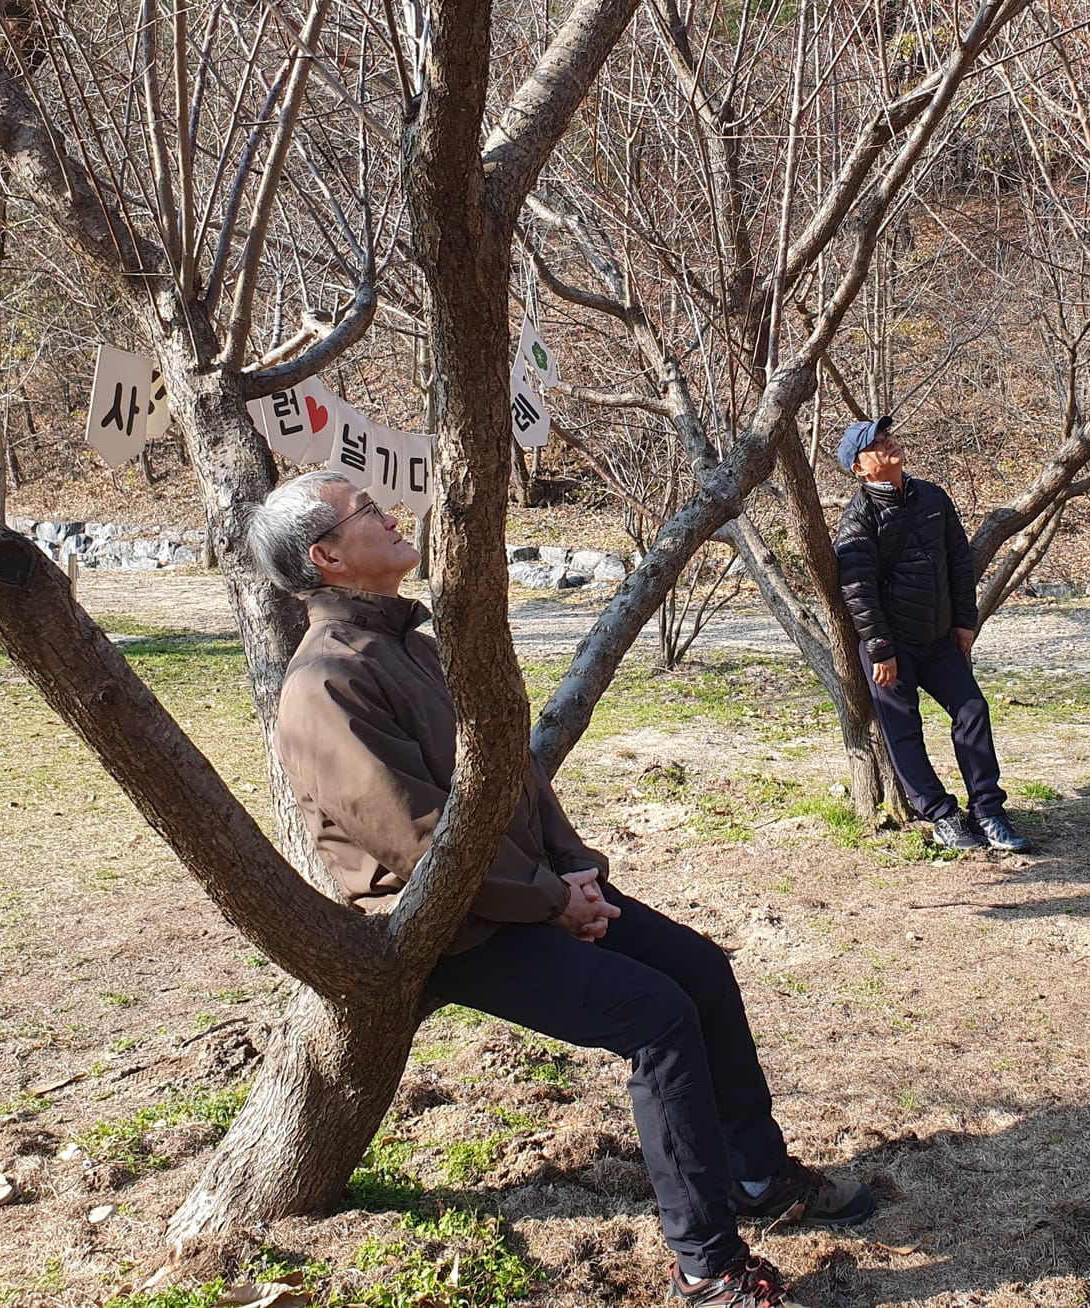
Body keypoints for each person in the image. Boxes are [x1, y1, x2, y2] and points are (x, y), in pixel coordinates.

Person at [247, 470, 868, 1308]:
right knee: (658, 1020)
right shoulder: (324, 683)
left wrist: (575, 868)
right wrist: (549, 900)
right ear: (327, 558)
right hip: (452, 929)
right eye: (366, 512)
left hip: (531, 892)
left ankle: (757, 1179)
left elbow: (513, 777)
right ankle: (705, 1264)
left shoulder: (412, 644)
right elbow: (414, 835)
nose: (392, 514)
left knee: (701, 971)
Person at [832, 417, 1035, 854]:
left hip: (941, 639)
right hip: (892, 649)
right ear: (860, 469)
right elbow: (858, 590)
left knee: (973, 711)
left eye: (887, 436)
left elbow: (959, 562)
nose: (888, 443)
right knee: (903, 732)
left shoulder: (933, 498)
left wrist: (965, 622)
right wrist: (881, 648)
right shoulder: (858, 519)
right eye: (876, 444)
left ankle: (989, 811)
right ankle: (942, 816)